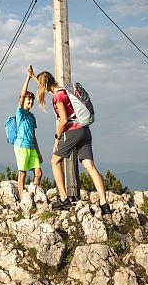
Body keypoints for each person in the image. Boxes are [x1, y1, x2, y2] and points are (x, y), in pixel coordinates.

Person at [28, 67, 111, 214]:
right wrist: (34, 77)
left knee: (54, 161)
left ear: (45, 85)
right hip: (85, 130)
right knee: (90, 166)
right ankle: (105, 205)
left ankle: (64, 199)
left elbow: (64, 120)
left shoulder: (57, 96)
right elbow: (47, 88)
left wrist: (57, 138)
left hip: (72, 131)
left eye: (40, 86)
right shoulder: (63, 90)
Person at [13, 65, 43, 200]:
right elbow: (22, 95)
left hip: (31, 148)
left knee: (38, 173)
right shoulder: (20, 113)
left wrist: (39, 152)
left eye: (31, 100)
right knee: (22, 174)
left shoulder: (32, 117)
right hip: (21, 147)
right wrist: (28, 77)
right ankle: (21, 199)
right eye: (28, 99)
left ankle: (33, 194)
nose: (30, 101)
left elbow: (34, 137)